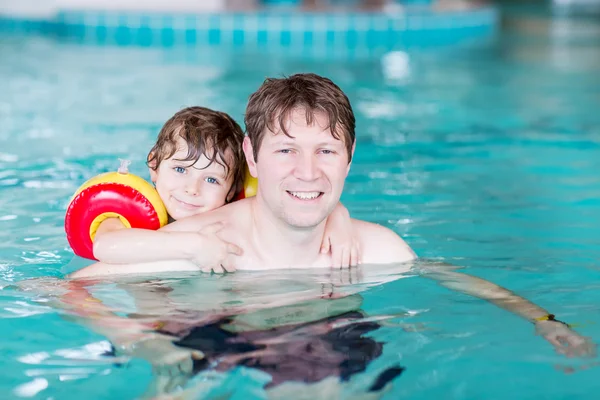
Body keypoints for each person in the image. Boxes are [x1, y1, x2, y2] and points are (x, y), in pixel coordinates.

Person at [64, 73, 594, 395]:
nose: (307, 173)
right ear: (252, 158)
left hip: (328, 332)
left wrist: (543, 320)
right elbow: (65, 287)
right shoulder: (205, 244)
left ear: (349, 161)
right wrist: (141, 341)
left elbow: (448, 277)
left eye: (326, 151)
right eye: (286, 150)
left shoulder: (372, 246)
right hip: (210, 326)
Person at [84, 105, 360, 274]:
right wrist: (195, 246)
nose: (192, 189)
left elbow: (301, 200)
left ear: (233, 190)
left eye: (212, 180)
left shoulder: (233, 215)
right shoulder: (124, 212)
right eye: (180, 170)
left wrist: (338, 217)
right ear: (154, 164)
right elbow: (106, 246)